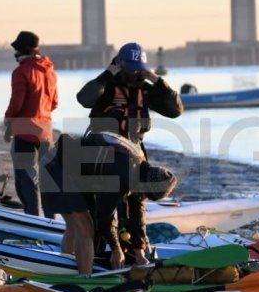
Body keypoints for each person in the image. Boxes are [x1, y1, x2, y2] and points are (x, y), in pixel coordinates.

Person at [76, 42, 183, 263]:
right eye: (130, 67)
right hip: (102, 154)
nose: (134, 73)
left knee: (137, 201)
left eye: (138, 68)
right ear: (119, 64)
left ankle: (137, 249)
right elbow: (83, 99)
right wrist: (108, 73)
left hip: (135, 151)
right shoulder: (106, 84)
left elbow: (175, 110)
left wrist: (155, 79)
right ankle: (99, 251)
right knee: (102, 205)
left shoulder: (146, 89)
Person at [41, 131, 178, 274]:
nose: (144, 196)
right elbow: (105, 216)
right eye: (147, 195)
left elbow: (137, 215)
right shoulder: (124, 175)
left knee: (77, 225)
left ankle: (64, 268)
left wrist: (140, 251)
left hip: (75, 170)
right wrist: (115, 248)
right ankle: (85, 280)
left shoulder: (143, 170)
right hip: (56, 165)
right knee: (86, 227)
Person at [3, 30, 58, 217]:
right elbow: (55, 102)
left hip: (24, 133)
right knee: (47, 179)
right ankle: (51, 219)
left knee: (26, 179)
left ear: (21, 50)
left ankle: (33, 219)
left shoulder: (21, 72)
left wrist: (8, 121)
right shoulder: (49, 70)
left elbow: (16, 103)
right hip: (46, 132)